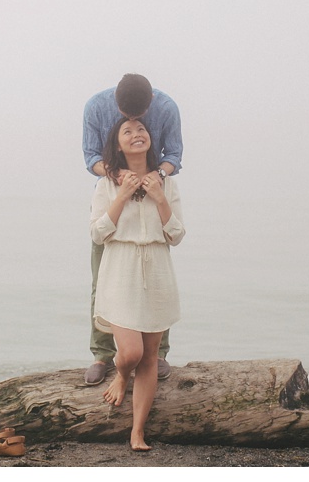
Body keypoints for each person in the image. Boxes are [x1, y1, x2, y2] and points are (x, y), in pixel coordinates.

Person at [90, 117, 184, 451]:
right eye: (127, 131)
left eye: (142, 129)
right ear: (117, 144)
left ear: (151, 137)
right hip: (121, 269)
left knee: (149, 357)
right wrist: (123, 194)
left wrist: (159, 197)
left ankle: (137, 431)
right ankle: (119, 374)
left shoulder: (167, 183)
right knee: (130, 352)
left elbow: (176, 235)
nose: (137, 134)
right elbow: (98, 233)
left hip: (157, 268)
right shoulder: (107, 184)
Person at [82, 74, 183, 385]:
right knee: (102, 280)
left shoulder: (167, 108)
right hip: (114, 194)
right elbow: (91, 158)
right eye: (126, 119)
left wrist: (157, 178)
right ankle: (101, 354)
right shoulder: (96, 107)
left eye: (139, 120)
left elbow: (174, 156)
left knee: (156, 282)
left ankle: (160, 352)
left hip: (153, 195)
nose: (133, 122)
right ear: (116, 102)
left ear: (151, 100)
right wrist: (118, 176)